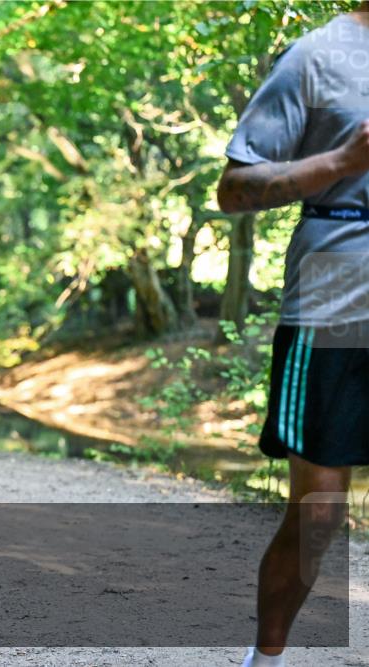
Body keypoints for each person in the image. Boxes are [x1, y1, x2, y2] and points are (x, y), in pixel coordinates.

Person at [216, 5, 369, 666]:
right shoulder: (318, 56)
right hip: (336, 299)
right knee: (319, 512)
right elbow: (233, 189)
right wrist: (343, 160)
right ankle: (266, 659)